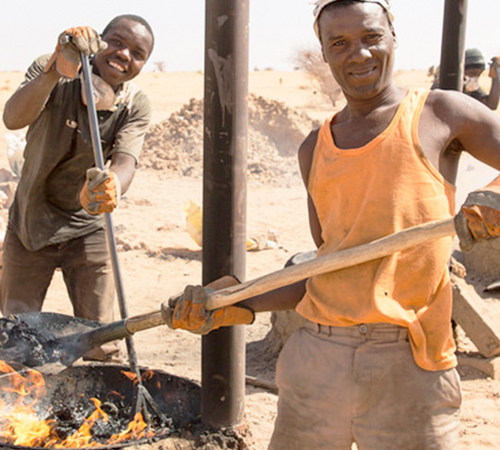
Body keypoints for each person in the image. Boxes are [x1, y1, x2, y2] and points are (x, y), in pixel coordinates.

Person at [163, 1, 500, 449]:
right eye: (339, 43)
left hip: (411, 364)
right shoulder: (313, 149)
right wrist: (230, 301)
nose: (358, 54)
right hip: (317, 364)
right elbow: (325, 270)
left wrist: (494, 198)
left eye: (370, 37)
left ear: (393, 35)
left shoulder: (441, 113)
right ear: (323, 52)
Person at [1, 15, 154, 361]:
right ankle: (13, 410)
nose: (124, 54)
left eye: (137, 53)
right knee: (14, 336)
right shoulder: (54, 70)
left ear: (144, 63)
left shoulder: (134, 104)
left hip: (89, 231)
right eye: (116, 42)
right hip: (30, 224)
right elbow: (12, 118)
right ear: (98, 41)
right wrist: (56, 70)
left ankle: (106, 404)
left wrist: (113, 184)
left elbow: (126, 161)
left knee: (101, 338)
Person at [432, 47, 500, 110]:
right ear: (463, 70)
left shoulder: (472, 87)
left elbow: (491, 105)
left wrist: (496, 75)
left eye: (478, 74)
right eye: (472, 73)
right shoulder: (446, 80)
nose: (475, 77)